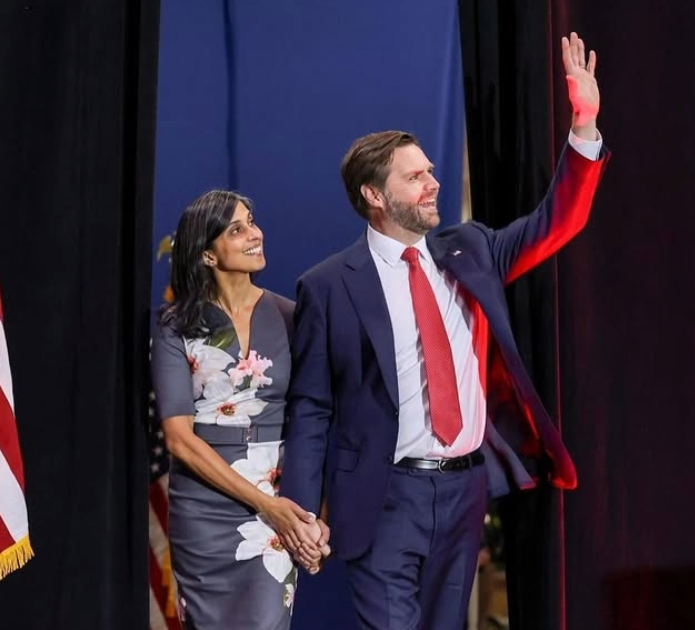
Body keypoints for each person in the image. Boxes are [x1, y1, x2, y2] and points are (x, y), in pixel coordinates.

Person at [278, 33, 607, 629]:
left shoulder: (470, 249)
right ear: (374, 196)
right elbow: (310, 407)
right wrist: (301, 512)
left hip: (464, 492)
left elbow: (555, 222)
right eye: (415, 177)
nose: (432, 183)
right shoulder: (328, 285)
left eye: (431, 170)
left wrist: (583, 127)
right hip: (382, 498)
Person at [151, 190, 327, 630]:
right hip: (204, 511)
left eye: (252, 221)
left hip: (278, 505)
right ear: (207, 254)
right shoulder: (174, 327)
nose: (255, 234)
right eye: (237, 229)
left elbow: (315, 420)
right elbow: (178, 438)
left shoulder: (292, 316)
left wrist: (312, 513)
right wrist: (266, 505)